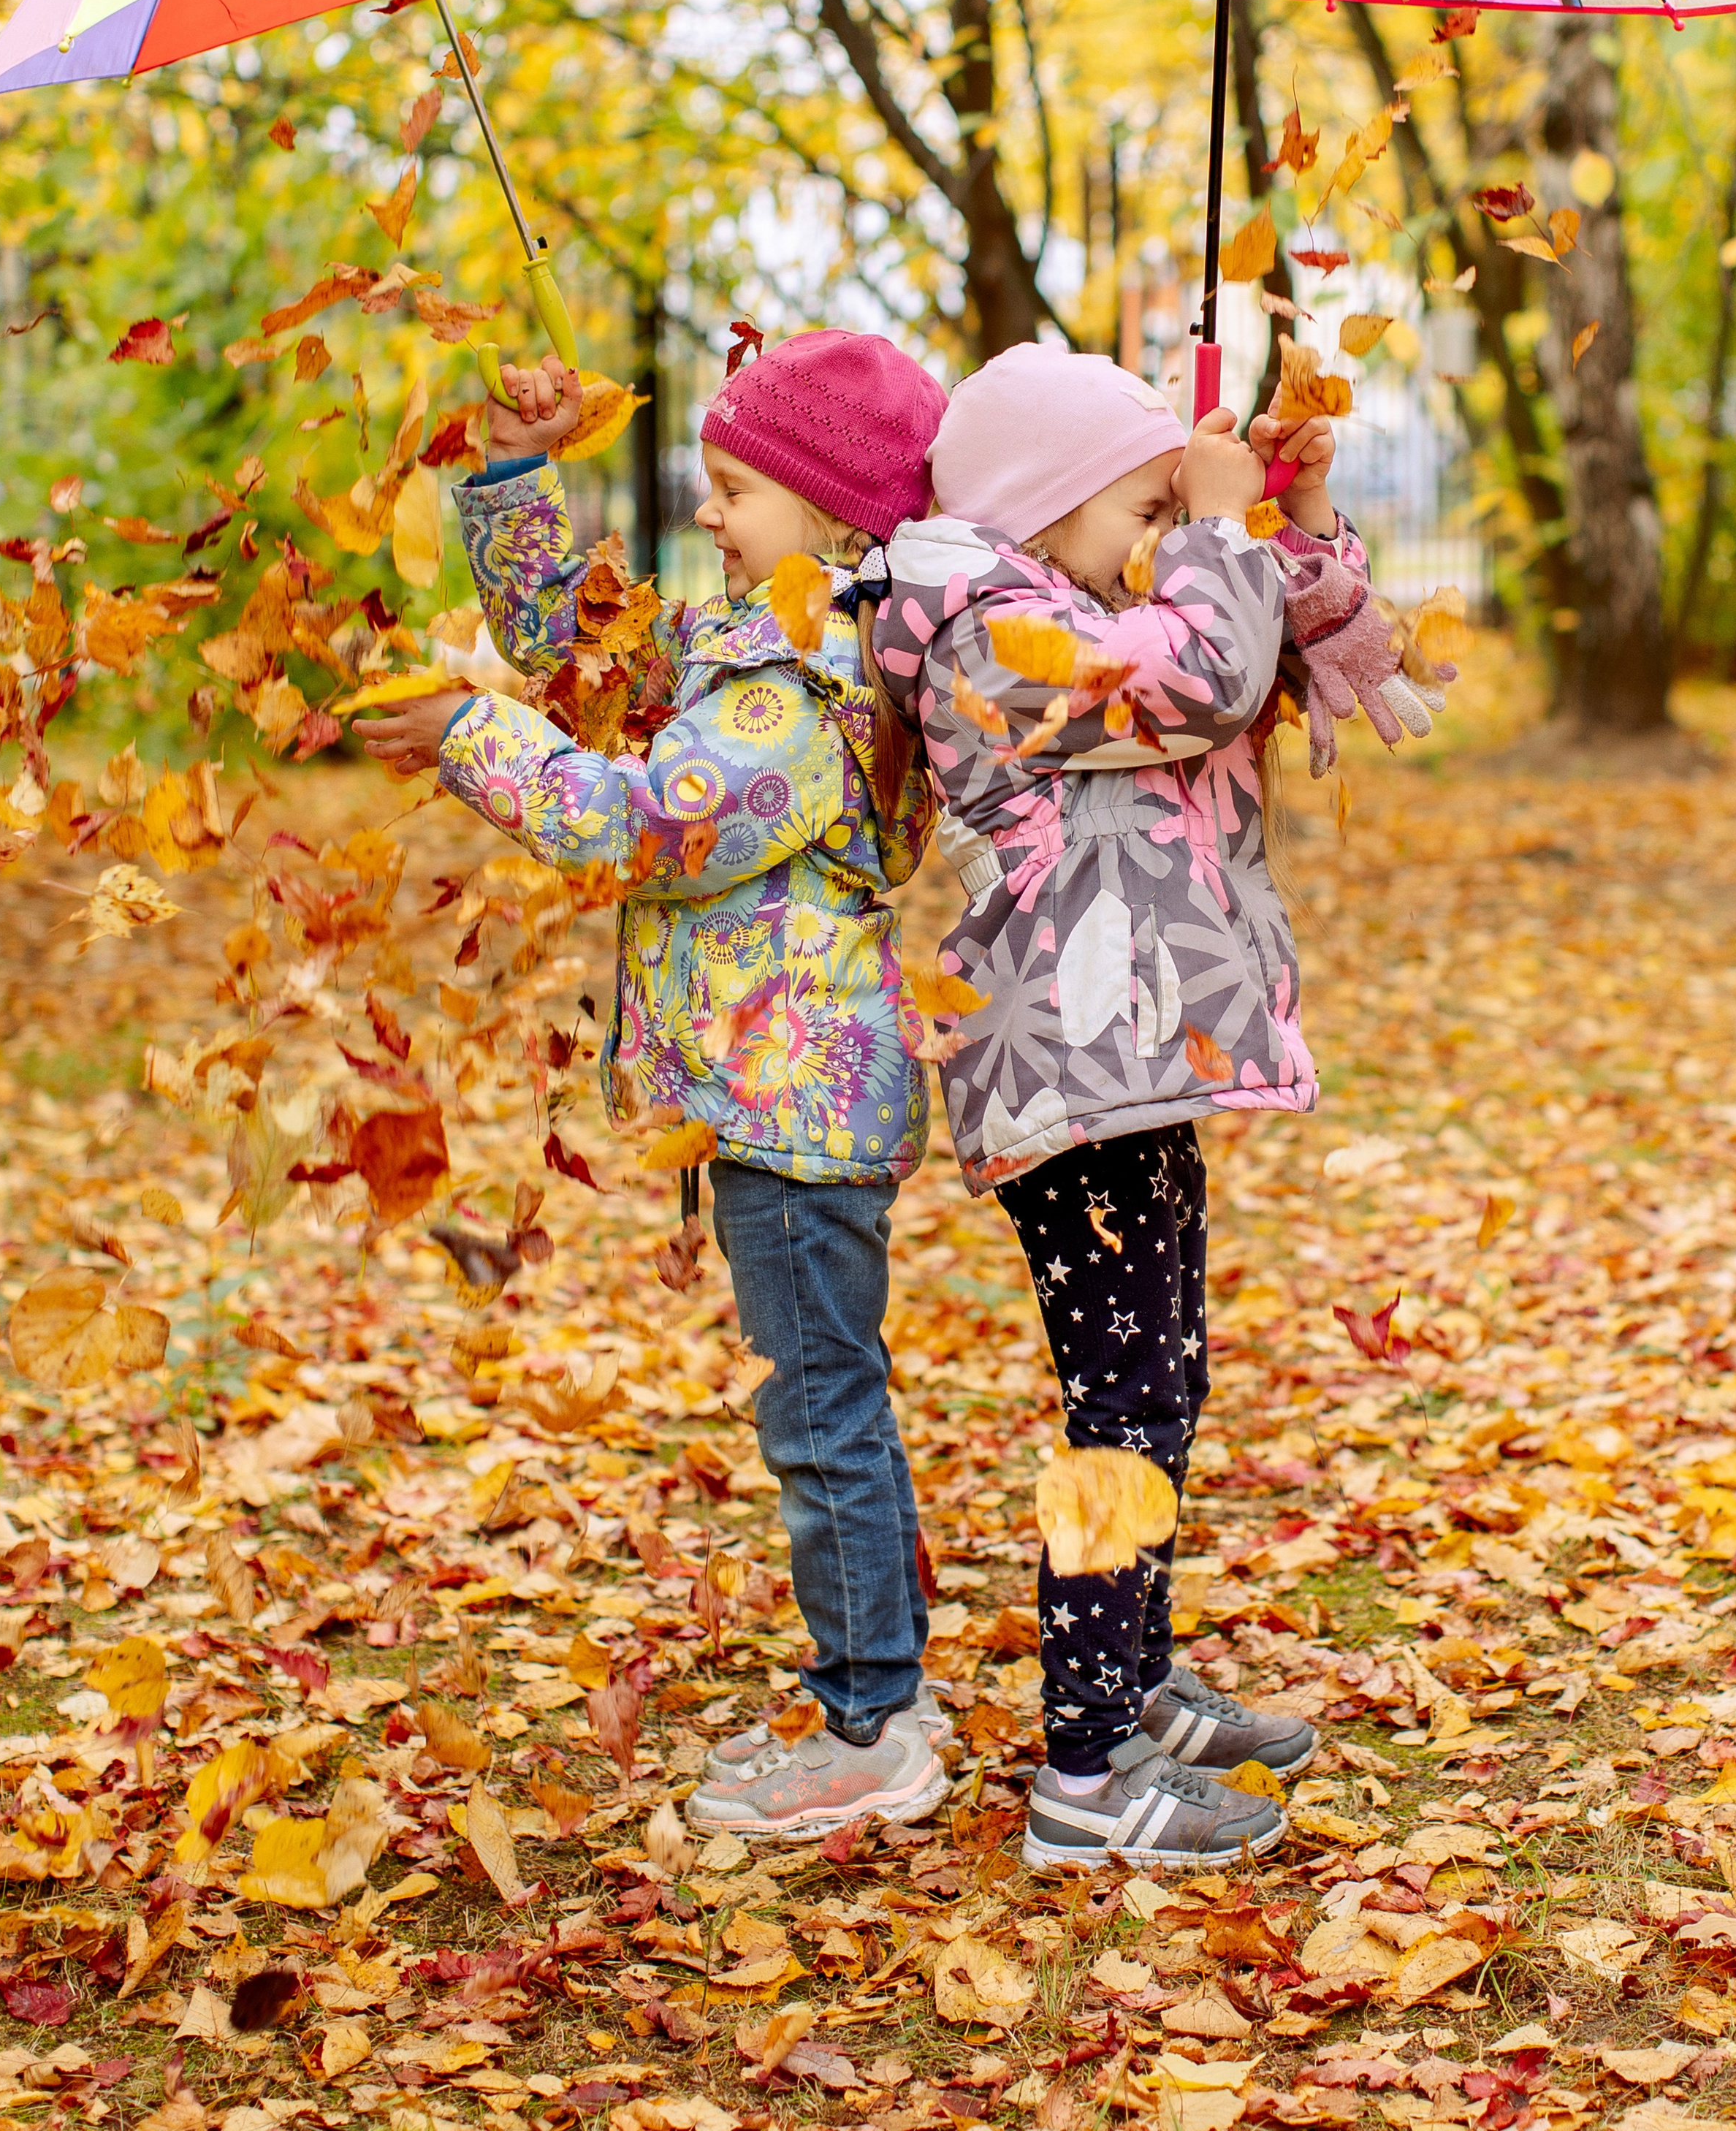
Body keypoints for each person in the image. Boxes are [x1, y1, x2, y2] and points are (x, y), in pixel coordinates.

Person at [357, 329, 954, 1842]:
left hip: (798, 1111)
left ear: (830, 525)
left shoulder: (788, 704)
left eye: (733, 491)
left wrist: (471, 738)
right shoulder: (759, 648)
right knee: (825, 1401)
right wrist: (510, 467)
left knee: (822, 1412)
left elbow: (640, 825)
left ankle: (876, 1722)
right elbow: (576, 642)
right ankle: (879, 1688)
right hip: (779, 1101)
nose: (705, 515)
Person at [872, 346, 1442, 1869]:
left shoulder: (1075, 598)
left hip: (1131, 1061)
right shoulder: (986, 632)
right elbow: (1197, 678)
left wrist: (1281, 508)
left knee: (1160, 1384)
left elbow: (1292, 641)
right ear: (1048, 503)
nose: (1150, 536)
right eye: (1130, 505)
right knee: (1117, 1408)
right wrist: (1204, 529)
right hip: (1071, 1069)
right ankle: (1083, 1765)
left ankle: (1127, 1688)